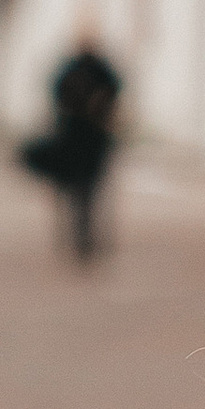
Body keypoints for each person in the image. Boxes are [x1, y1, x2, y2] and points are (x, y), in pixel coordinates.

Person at [22, 34, 123, 262]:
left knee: (84, 194)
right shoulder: (76, 69)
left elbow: (112, 95)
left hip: (89, 142)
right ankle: (75, 237)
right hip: (76, 141)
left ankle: (81, 238)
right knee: (75, 194)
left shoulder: (97, 70)